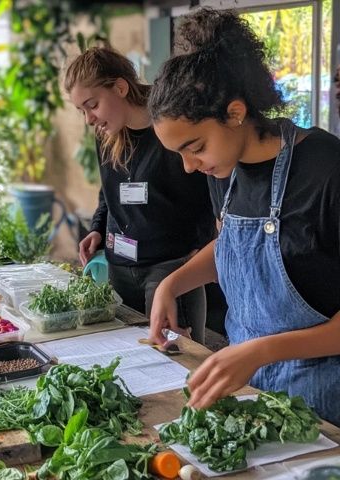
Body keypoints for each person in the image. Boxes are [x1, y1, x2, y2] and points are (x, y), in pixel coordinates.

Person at [148, 8, 340, 426]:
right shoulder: (223, 170)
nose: (188, 166)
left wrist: (261, 350)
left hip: (324, 408)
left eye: (194, 147)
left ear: (235, 113)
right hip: (251, 398)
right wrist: (173, 282)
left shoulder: (327, 170)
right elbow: (234, 248)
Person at [64, 47, 215, 344]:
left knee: (173, 360)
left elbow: (208, 192)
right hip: (119, 264)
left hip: (169, 266)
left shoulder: (172, 127)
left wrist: (201, 249)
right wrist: (97, 226)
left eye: (91, 105)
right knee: (129, 353)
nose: (88, 119)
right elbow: (110, 190)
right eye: (81, 110)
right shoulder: (107, 135)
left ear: (120, 87)